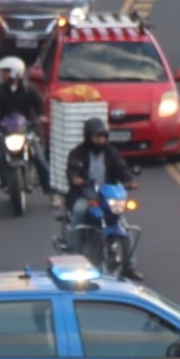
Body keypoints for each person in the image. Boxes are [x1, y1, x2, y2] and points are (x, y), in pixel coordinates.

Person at [62, 117, 141, 279]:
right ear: (88, 137)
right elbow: (72, 170)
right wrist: (77, 179)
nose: (101, 140)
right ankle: (73, 250)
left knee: (123, 225)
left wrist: (130, 180)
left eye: (103, 136)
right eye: (97, 136)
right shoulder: (78, 153)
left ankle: (131, 266)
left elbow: (121, 168)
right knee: (79, 210)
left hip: (107, 196)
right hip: (85, 194)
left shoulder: (111, 152)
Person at [0, 56, 52, 208]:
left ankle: (52, 194)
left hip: (26, 130)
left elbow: (38, 104)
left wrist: (41, 117)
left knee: (40, 159)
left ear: (15, 73)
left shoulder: (29, 90)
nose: (2, 74)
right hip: (5, 131)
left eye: (5, 71)